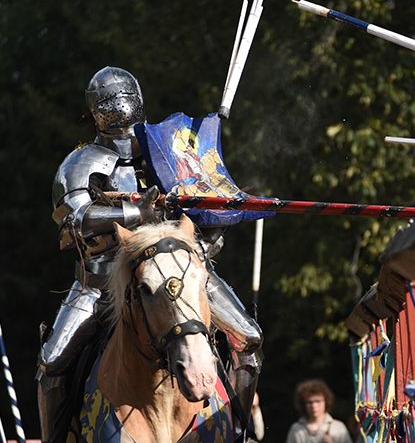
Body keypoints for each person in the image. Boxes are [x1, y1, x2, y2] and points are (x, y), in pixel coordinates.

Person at [39, 66, 264, 441]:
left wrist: (216, 214)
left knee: (248, 339)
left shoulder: (168, 152)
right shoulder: (81, 163)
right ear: (95, 110)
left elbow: (203, 217)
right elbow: (74, 219)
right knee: (53, 361)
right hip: (101, 282)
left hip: (179, 273)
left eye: (123, 99)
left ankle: (239, 428)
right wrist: (135, 212)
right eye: (111, 102)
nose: (119, 108)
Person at [287, 379, 352, 443]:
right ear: (303, 404)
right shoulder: (296, 429)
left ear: (326, 402)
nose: (314, 406)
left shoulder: (338, 427)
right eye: (309, 402)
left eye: (318, 401)